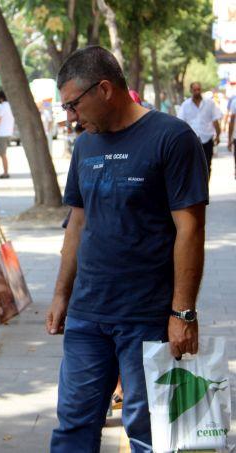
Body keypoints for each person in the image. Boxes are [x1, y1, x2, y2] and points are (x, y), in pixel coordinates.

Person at [47, 46, 207, 452]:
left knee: (149, 431)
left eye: (73, 105)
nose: (70, 117)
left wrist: (183, 312)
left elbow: (190, 229)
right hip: (87, 316)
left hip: (147, 317)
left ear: (104, 89)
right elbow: (77, 225)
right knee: (73, 426)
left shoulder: (171, 138)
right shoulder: (85, 146)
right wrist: (61, 294)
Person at [177, 82, 221, 177]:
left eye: (198, 89)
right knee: (193, 165)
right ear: (191, 91)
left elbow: (215, 120)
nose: (197, 92)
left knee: (207, 165)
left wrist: (218, 135)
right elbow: (180, 122)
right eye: (195, 90)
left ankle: (205, 187)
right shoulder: (185, 105)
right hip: (192, 140)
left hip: (207, 139)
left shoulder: (210, 103)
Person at [0, 91, 14, 178]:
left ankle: (5, 172)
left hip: (2, 133)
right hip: (8, 132)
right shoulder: (10, 106)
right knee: (3, 154)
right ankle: (5, 171)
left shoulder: (3, 106)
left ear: (1, 98)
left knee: (3, 154)